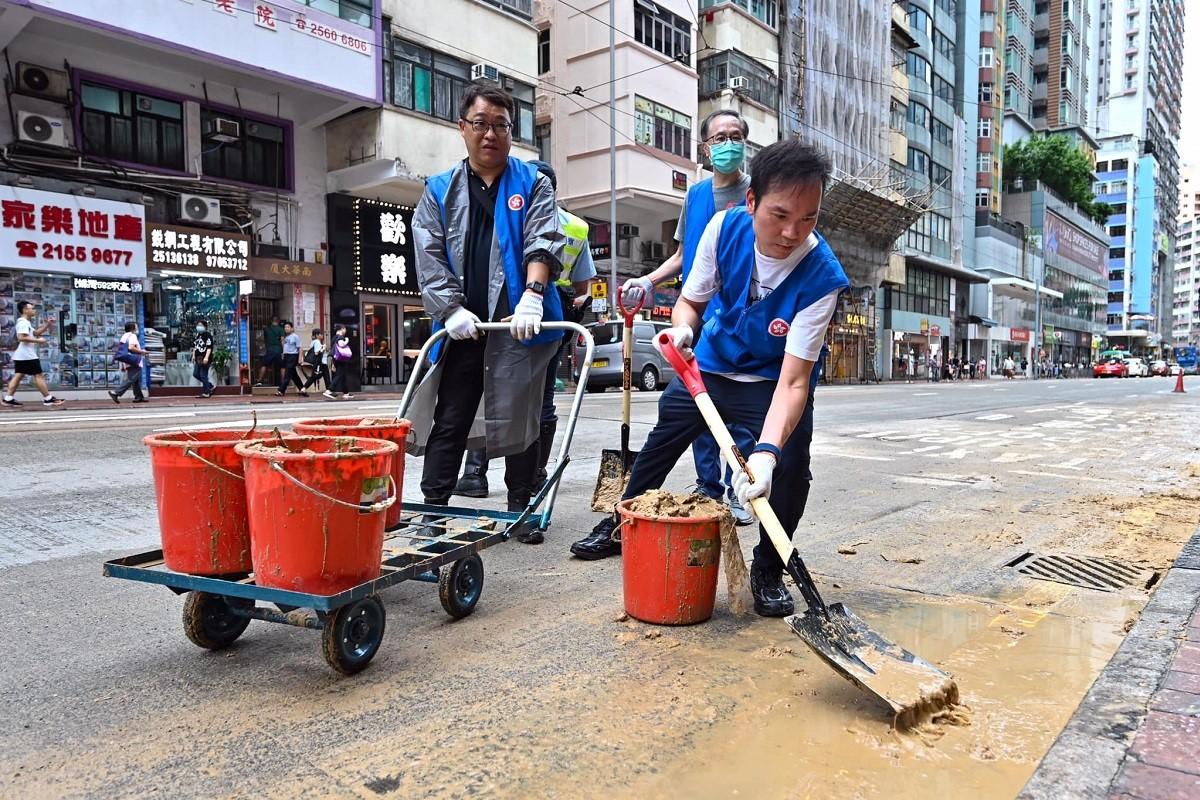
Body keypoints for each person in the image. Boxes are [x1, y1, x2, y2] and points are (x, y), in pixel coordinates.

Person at [569, 141, 849, 618]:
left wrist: (764, 454)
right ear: (752, 202)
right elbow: (692, 302)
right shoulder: (724, 229)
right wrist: (682, 329)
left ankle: (768, 567)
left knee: (791, 467)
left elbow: (795, 383)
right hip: (713, 366)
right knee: (662, 439)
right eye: (780, 215)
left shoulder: (822, 277)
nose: (791, 232)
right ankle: (623, 522)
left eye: (808, 219)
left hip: (770, 382)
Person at [408, 84, 566, 532]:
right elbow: (430, 256)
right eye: (481, 124)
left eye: (501, 125)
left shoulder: (532, 182)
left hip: (519, 325)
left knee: (521, 417)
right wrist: (449, 309)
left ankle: (521, 509)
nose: (490, 134)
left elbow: (543, 241)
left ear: (511, 132)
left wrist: (533, 297)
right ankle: (433, 509)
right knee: (451, 417)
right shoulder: (439, 190)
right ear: (463, 128)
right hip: (464, 328)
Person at [616, 108, 757, 526]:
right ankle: (709, 486)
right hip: (692, 317)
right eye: (720, 137)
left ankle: (739, 487)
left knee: (739, 413)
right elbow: (682, 257)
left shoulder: (757, 193)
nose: (728, 144)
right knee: (692, 406)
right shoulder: (695, 196)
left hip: (738, 318)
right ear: (705, 147)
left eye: (736, 136)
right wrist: (647, 279)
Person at [453, 159, 598, 522]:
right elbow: (582, 290)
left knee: (492, 393)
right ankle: (532, 480)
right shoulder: (576, 227)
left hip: (506, 317)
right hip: (550, 322)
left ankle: (474, 475)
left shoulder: (510, 215)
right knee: (536, 404)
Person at [3, 300, 65, 406]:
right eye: (32, 308)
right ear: (25, 310)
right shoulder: (23, 322)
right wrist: (38, 341)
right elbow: (21, 337)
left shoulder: (25, 322)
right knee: (38, 375)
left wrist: (47, 325)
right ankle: (48, 399)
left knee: (18, 376)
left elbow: (35, 333)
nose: (34, 310)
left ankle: (8, 398)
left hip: (22, 355)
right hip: (27, 355)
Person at [108, 322, 148, 404]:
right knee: (132, 378)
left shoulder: (124, 336)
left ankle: (138, 397)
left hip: (128, 360)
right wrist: (142, 352)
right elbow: (131, 347)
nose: (137, 328)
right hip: (134, 360)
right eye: (136, 326)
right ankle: (116, 393)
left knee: (135, 379)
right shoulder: (132, 336)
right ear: (132, 328)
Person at [276, 321, 306, 397]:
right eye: (285, 327)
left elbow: (300, 348)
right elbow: (285, 347)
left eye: (288, 327)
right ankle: (302, 389)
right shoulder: (286, 337)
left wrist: (300, 358)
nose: (286, 329)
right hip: (286, 356)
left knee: (287, 373)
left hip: (293, 356)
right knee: (293, 375)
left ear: (292, 328)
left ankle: (281, 390)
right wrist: (283, 354)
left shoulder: (295, 336)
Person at [326, 325, 354, 400]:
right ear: (342, 329)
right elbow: (341, 344)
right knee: (339, 375)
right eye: (345, 329)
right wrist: (347, 340)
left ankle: (346, 393)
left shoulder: (334, 337)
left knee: (343, 375)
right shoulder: (341, 337)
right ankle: (329, 390)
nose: (345, 331)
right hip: (341, 358)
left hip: (335, 358)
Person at [254, 316, 284, 386]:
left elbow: (261, 339)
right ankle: (283, 383)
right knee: (282, 366)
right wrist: (284, 350)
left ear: (271, 321)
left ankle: (259, 380)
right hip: (278, 350)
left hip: (269, 350)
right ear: (278, 321)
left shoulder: (267, 329)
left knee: (264, 365)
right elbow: (282, 340)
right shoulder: (281, 329)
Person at [191, 319, 214, 398]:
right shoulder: (197, 336)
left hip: (205, 358)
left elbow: (209, 347)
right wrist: (193, 356)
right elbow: (195, 347)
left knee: (203, 375)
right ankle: (209, 386)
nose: (199, 327)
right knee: (196, 374)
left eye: (201, 325)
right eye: (198, 325)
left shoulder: (208, 335)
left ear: (205, 327)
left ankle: (206, 392)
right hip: (198, 358)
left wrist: (206, 358)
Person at [302, 328, 328, 393]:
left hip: (318, 362)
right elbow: (317, 352)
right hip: (319, 362)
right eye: (321, 334)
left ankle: (329, 389)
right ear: (317, 335)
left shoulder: (313, 342)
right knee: (315, 376)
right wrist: (323, 348)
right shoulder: (317, 342)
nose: (322, 335)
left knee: (324, 375)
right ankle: (329, 389)